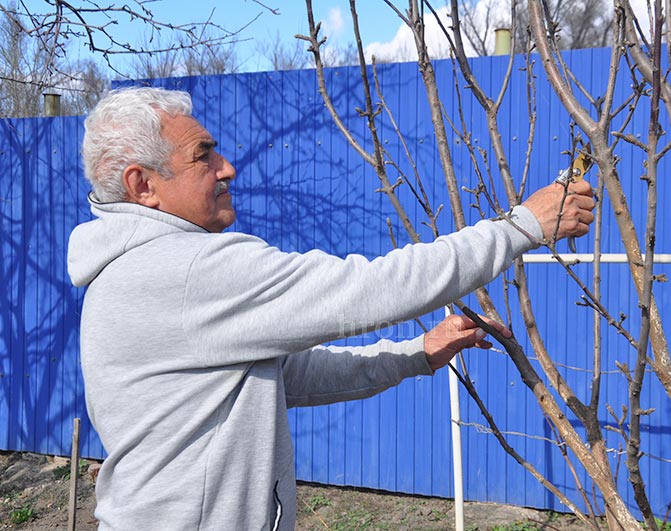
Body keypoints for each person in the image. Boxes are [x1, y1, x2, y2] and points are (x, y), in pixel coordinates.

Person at [67, 87, 595, 531]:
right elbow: (368, 289)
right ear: (143, 185)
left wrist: (418, 354)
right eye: (203, 155)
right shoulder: (185, 271)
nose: (227, 167)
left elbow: (285, 378)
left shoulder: (128, 272)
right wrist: (523, 225)